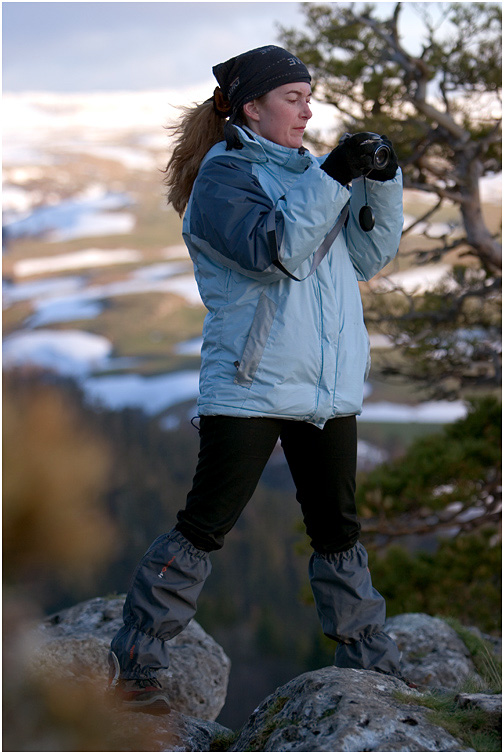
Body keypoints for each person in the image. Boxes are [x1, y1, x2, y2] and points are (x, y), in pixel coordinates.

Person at [108, 45, 404, 712]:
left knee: (339, 533)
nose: (308, 108)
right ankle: (134, 675)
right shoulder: (223, 180)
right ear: (252, 107)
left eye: (309, 95)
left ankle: (372, 668)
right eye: (293, 96)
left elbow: (367, 255)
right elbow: (277, 250)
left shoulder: (304, 174)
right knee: (202, 527)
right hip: (250, 385)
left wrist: (381, 182)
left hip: (322, 388)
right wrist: (331, 175)